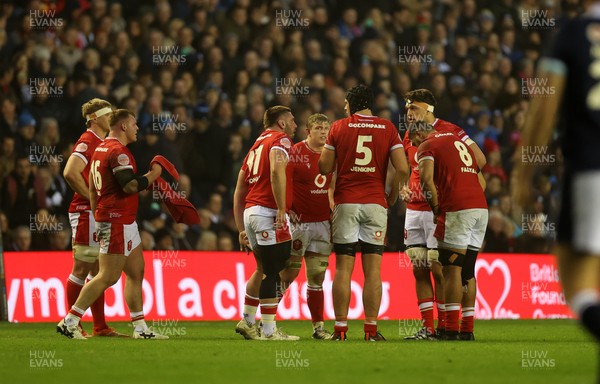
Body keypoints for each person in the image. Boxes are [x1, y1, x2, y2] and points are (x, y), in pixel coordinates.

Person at [513, 0, 600, 345]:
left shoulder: (574, 34)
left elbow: (542, 112)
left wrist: (524, 174)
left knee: (575, 280)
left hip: (591, 169)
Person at [56, 109, 167, 340]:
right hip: (116, 220)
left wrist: (97, 214)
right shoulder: (118, 151)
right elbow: (128, 186)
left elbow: (95, 191)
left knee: (136, 272)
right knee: (107, 276)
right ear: (124, 126)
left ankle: (140, 328)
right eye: (134, 124)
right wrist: (154, 174)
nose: (138, 128)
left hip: (121, 220)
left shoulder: (101, 149)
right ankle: (70, 320)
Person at [318, 84, 409, 341]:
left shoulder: (338, 126)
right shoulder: (388, 128)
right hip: (375, 204)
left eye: (346, 104)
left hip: (346, 202)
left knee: (343, 268)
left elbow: (324, 167)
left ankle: (340, 330)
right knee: (373, 271)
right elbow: (403, 169)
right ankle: (370, 330)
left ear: (351, 102)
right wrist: (390, 196)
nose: (344, 108)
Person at [401, 89, 487, 339]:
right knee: (419, 267)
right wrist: (403, 187)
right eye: (407, 109)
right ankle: (429, 327)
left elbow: (478, 160)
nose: (408, 113)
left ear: (428, 110)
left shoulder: (451, 130)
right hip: (415, 208)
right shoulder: (410, 134)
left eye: (413, 108)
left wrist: (451, 193)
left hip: (443, 207)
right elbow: (411, 170)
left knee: (444, 268)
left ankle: (446, 326)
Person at [233, 105, 299, 341]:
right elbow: (276, 172)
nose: (295, 125)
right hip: (268, 212)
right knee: (274, 270)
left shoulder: (256, 145)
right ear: (281, 123)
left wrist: (241, 227)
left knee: (262, 268)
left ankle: (248, 321)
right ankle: (269, 331)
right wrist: (282, 208)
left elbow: (240, 188)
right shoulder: (280, 141)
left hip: (251, 213)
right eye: (292, 120)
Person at [62, 98, 126, 337]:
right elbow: (70, 171)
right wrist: (92, 199)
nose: (111, 116)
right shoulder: (88, 140)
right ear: (94, 118)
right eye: (107, 113)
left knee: (99, 271)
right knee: (81, 268)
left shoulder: (101, 142)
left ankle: (99, 326)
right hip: (85, 212)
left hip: (95, 213)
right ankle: (73, 325)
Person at [279, 113, 335, 339]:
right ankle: (266, 321)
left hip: (323, 223)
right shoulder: (295, 153)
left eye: (326, 128)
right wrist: (286, 207)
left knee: (317, 277)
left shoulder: (332, 155)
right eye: (319, 128)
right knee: (288, 274)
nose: (323, 132)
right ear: (308, 131)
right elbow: (284, 181)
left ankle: (318, 328)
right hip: (298, 223)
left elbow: (335, 184)